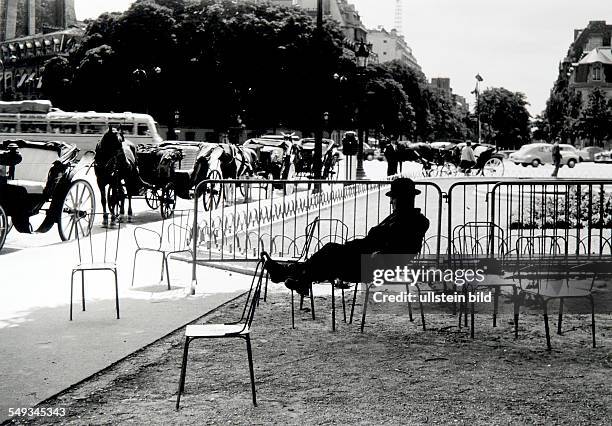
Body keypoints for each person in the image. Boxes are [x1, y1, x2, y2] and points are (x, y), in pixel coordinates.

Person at [263, 178, 431, 295]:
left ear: (407, 198)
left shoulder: (416, 221)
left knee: (331, 253)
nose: (392, 202)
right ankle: (298, 276)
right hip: (364, 260)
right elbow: (372, 241)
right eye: (394, 198)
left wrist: (381, 255)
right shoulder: (397, 217)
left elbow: (406, 250)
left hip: (377, 266)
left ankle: (294, 275)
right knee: (331, 256)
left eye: (395, 198)